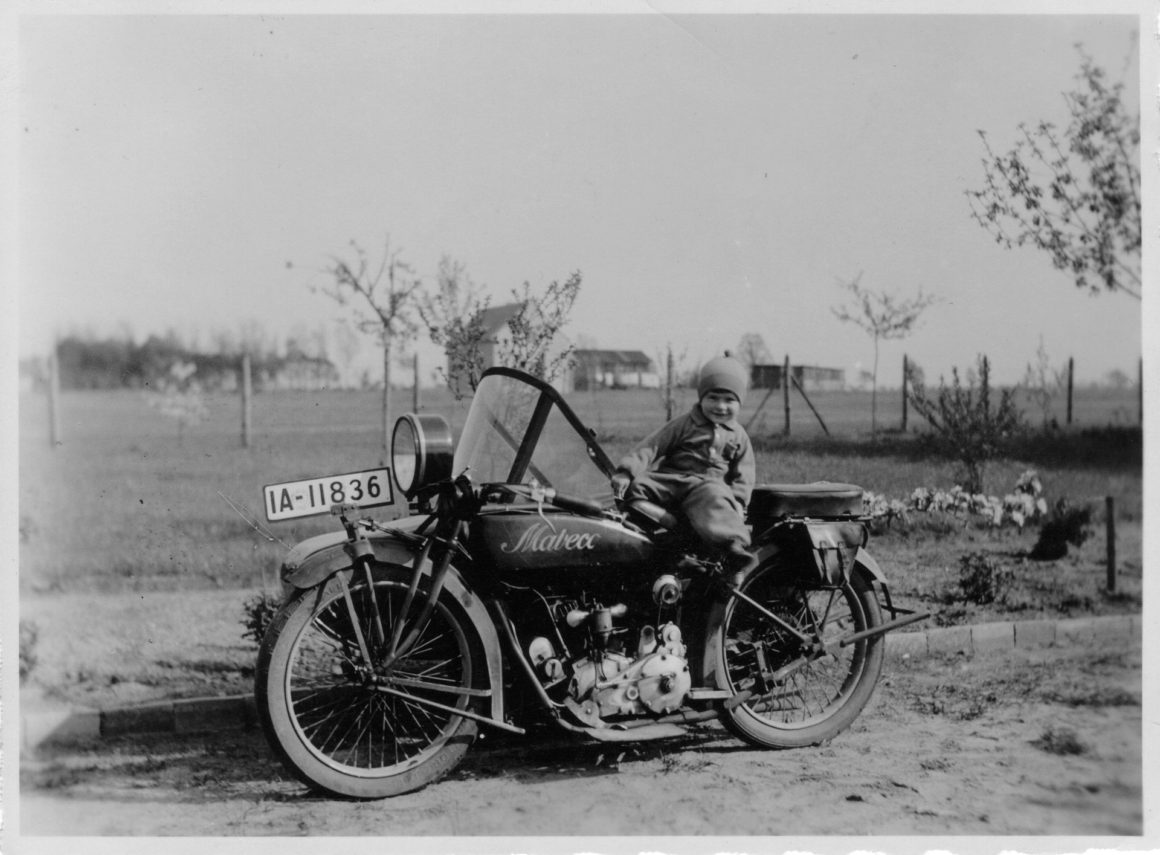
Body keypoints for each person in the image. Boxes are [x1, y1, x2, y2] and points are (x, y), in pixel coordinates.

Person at [611, 354, 757, 575]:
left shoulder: (738, 435)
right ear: (701, 397)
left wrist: (738, 500)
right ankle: (641, 528)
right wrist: (626, 472)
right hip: (674, 480)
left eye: (729, 400)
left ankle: (732, 546)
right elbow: (652, 445)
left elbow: (744, 472)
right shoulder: (684, 424)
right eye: (713, 398)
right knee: (638, 485)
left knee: (716, 497)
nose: (720, 406)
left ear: (740, 403)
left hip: (708, 487)